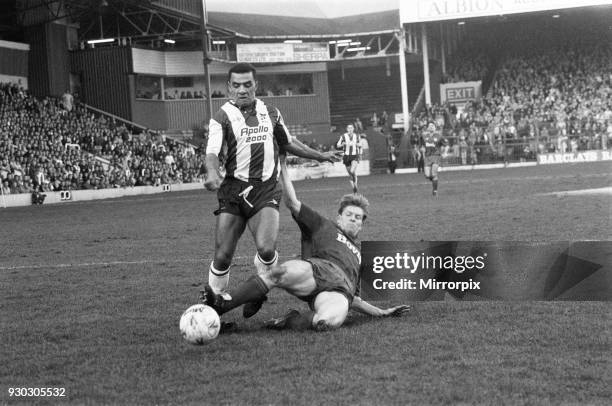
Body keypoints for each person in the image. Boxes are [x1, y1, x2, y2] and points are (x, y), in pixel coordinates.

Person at [201, 157, 410, 331]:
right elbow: (292, 202)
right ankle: (222, 303)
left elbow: (354, 300)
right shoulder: (324, 225)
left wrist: (381, 312)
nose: (354, 219)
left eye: (359, 217)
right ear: (339, 217)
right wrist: (281, 165)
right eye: (350, 215)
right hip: (317, 270)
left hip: (339, 292)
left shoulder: (359, 256)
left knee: (325, 323)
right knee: (277, 273)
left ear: (361, 225)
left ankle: (290, 320)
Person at [203, 62, 341, 317]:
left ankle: (259, 289)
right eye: (236, 85)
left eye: (247, 84)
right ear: (228, 87)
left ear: (256, 85)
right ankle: (212, 310)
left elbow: (288, 142)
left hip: (264, 189)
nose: (242, 90)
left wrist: (319, 155)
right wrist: (212, 173)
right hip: (233, 190)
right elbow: (212, 151)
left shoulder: (271, 112)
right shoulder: (221, 117)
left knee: (267, 249)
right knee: (222, 256)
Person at [335, 124, 362, 193]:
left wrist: (357, 144)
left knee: (352, 171)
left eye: (351, 128)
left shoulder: (357, 136)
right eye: (349, 128)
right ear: (347, 129)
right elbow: (338, 145)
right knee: (350, 174)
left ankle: (355, 184)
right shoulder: (343, 136)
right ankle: (354, 188)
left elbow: (360, 145)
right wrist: (342, 144)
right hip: (346, 156)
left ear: (353, 129)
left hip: (354, 155)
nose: (350, 129)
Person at [421, 123, 444, 196]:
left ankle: (435, 191)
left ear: (435, 128)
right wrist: (422, 149)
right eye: (429, 126)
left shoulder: (439, 136)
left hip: (436, 156)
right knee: (427, 175)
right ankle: (434, 180)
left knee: (434, 173)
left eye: (432, 126)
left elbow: (446, 145)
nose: (431, 127)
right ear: (427, 128)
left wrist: (444, 152)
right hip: (427, 157)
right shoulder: (424, 136)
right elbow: (422, 145)